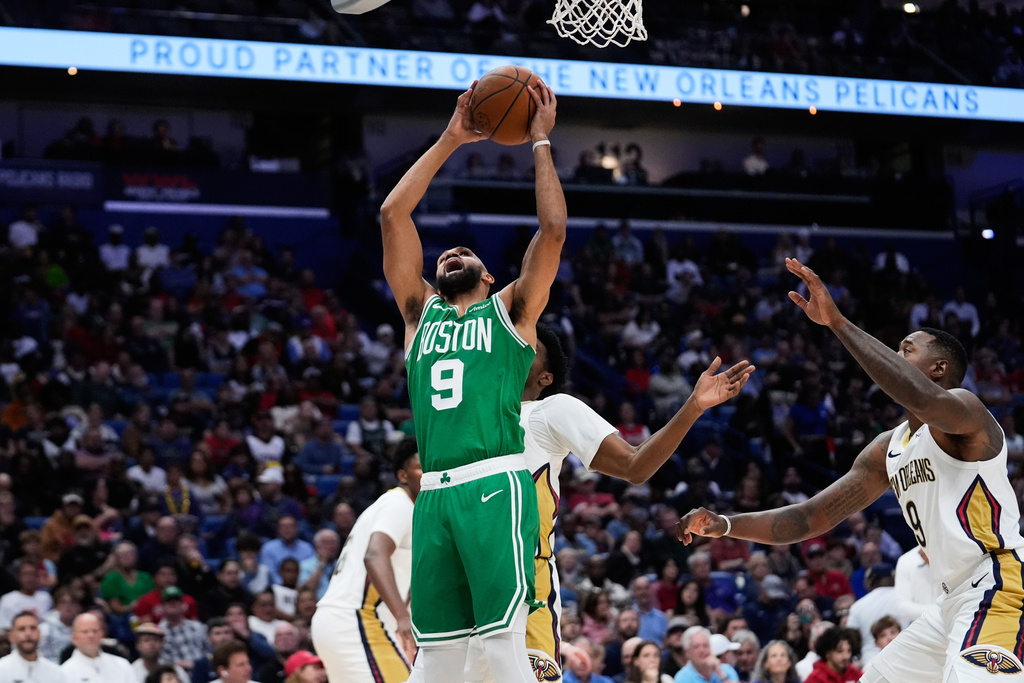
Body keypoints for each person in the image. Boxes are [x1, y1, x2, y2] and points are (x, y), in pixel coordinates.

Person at [679, 257, 1024, 682]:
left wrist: (838, 323)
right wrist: (727, 524)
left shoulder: (966, 411)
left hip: (998, 581)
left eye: (906, 350)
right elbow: (809, 517)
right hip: (950, 599)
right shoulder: (888, 448)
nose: (894, 356)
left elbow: (920, 397)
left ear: (939, 369)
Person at [439, 328, 751, 683]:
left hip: (524, 583)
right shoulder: (468, 416)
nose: (517, 343)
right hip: (463, 583)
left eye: (530, 345)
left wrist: (694, 406)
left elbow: (635, 466)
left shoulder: (550, 409)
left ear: (545, 377)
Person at [379, 79, 562, 683]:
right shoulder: (418, 314)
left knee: (504, 645)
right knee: (437, 656)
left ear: (489, 278)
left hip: (493, 485)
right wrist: (452, 138)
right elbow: (393, 213)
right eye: (445, 254)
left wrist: (539, 142)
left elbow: (553, 232)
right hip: (433, 494)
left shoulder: (511, 313)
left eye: (466, 253)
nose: (451, 252)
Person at [311, 437, 421, 682]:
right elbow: (374, 556)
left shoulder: (401, 508)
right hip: (358, 620)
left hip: (345, 620)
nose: (430, 474)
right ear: (403, 476)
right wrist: (402, 618)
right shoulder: (399, 504)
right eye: (421, 468)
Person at [844, 563, 902, 666]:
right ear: (893, 577)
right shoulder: (906, 599)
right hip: (904, 658)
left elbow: (852, 639)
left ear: (869, 581)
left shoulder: (858, 606)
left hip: (871, 662)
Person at [61, 612, 135, 682]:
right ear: (74, 637)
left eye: (95, 631)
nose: (91, 635)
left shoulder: (122, 665)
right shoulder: (64, 673)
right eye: (85, 631)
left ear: (102, 634)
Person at [0, 611, 68, 682]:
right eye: (22, 629)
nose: (28, 633)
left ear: (39, 633)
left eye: (33, 628)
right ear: (11, 636)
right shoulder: (2, 670)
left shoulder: (55, 672)